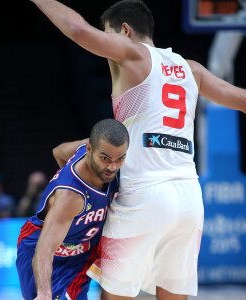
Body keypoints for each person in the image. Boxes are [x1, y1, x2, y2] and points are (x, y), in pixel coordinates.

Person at [29, 1, 246, 299]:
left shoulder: (132, 53)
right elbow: (242, 100)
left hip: (144, 194)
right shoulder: (191, 69)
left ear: (126, 31)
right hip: (190, 200)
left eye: (109, 35)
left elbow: (78, 30)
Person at [16, 119, 129, 300]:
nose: (112, 167)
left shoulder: (87, 148)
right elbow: (44, 250)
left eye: (120, 158)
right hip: (40, 245)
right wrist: (44, 294)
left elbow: (58, 152)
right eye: (105, 158)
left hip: (81, 253)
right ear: (90, 149)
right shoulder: (71, 196)